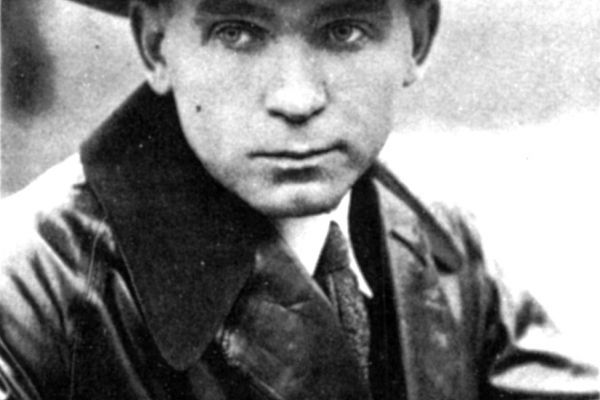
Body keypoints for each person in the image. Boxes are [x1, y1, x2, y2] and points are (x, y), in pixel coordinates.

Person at [0, 0, 598, 398]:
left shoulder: (444, 242)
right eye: (236, 33)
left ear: (417, 39)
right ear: (156, 45)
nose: (296, 97)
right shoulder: (33, 283)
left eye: (344, 31)